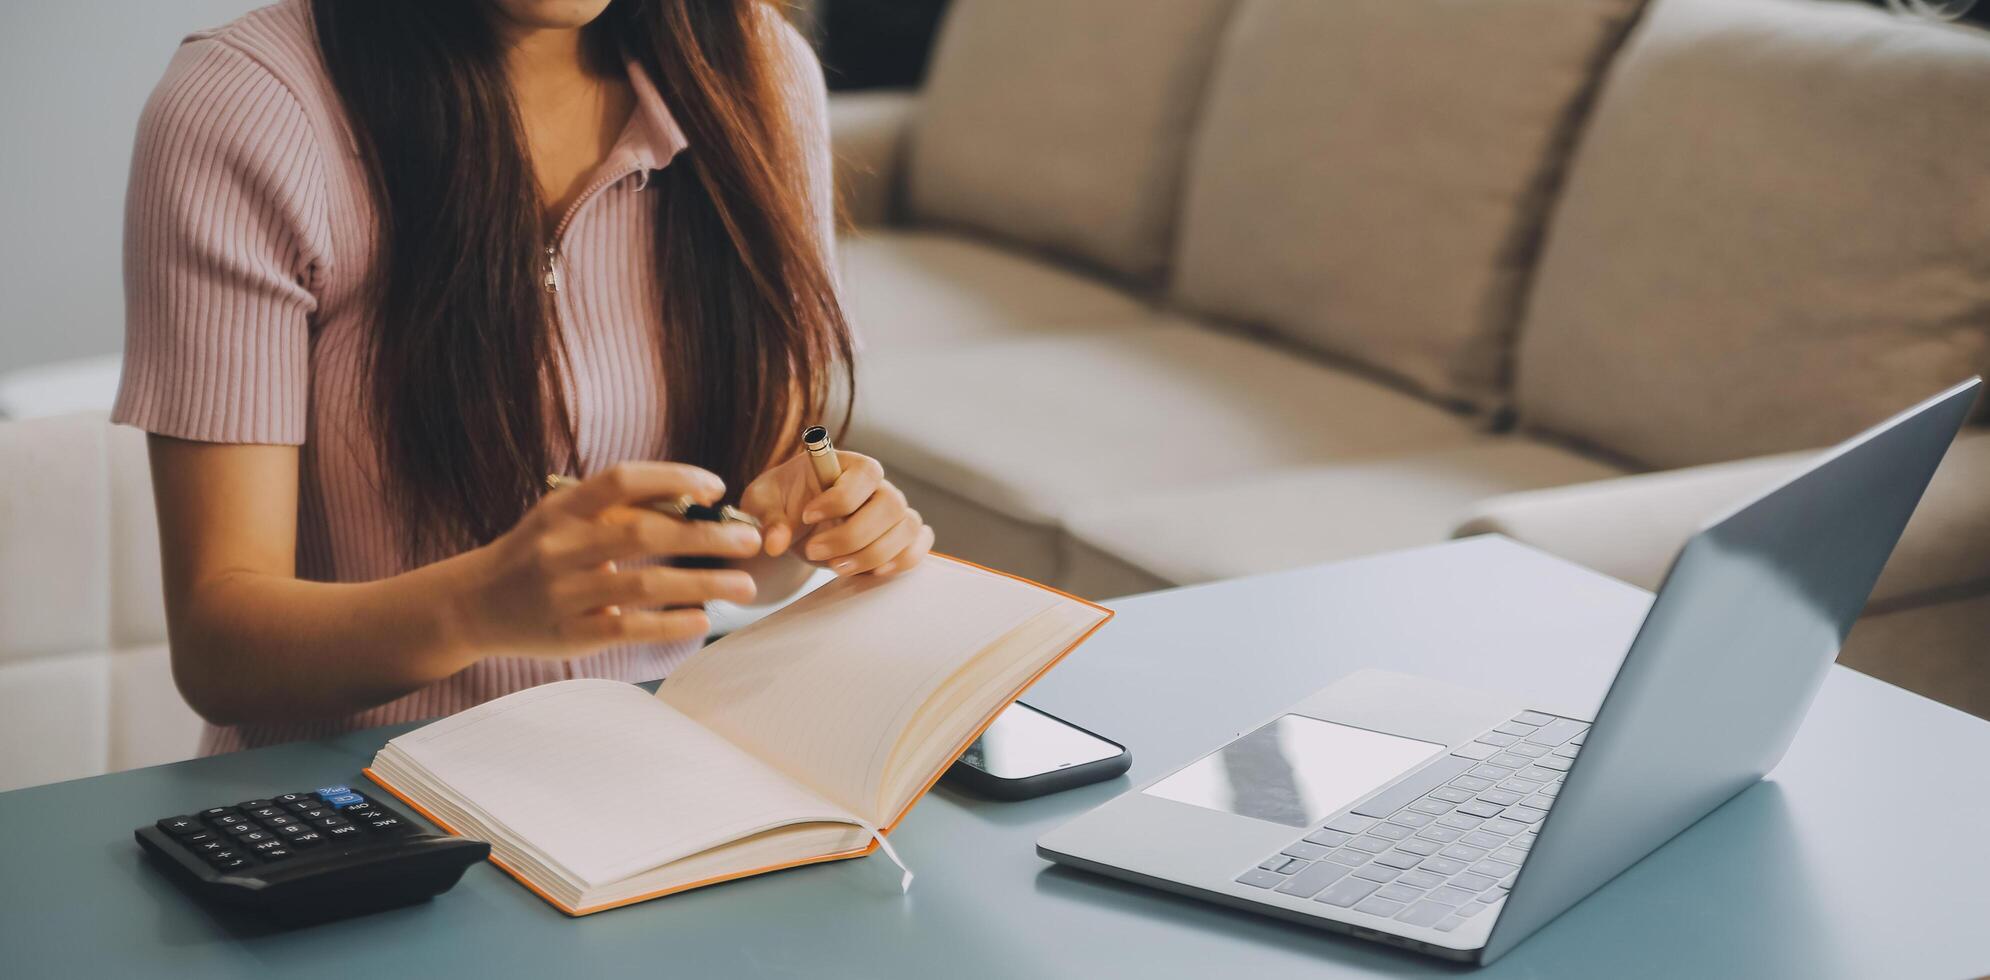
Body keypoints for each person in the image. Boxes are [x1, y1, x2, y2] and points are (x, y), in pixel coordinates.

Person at [112, 0, 932, 753]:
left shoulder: (758, 69)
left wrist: (811, 524)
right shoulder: (247, 107)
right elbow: (220, 648)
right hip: (358, 812)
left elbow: (753, 558)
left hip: (645, 780)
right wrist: (477, 604)